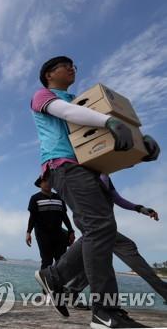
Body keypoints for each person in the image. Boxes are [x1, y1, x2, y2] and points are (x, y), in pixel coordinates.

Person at [30, 55, 160, 328]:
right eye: (65, 65)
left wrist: (139, 148)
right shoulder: (44, 96)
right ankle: (104, 312)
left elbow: (102, 143)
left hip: (90, 170)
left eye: (74, 66)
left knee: (100, 231)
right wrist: (109, 122)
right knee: (100, 228)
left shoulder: (82, 101)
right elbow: (68, 113)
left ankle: (55, 277)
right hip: (64, 165)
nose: (72, 69)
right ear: (49, 74)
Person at [65, 174, 167, 306]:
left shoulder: (104, 175)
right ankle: (57, 280)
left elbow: (117, 198)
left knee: (99, 261)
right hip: (97, 226)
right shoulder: (91, 173)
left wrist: (140, 209)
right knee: (126, 247)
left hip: (101, 226)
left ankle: (69, 291)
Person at [26, 176, 75, 270]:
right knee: (47, 261)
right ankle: (45, 281)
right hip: (42, 234)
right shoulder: (35, 198)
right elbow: (32, 217)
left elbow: (64, 216)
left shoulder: (59, 197)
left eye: (49, 181)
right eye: (44, 181)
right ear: (40, 184)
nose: (47, 183)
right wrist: (28, 232)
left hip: (58, 233)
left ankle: (60, 283)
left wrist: (71, 230)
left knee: (61, 260)